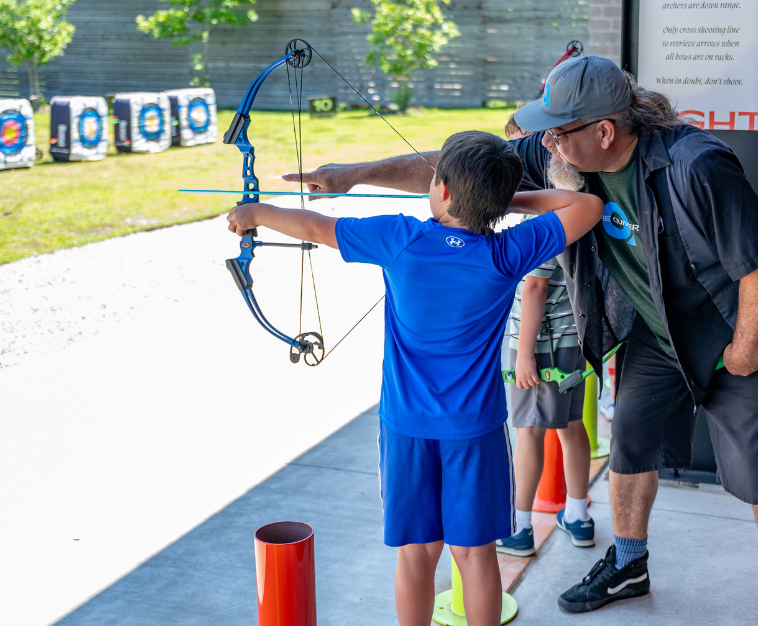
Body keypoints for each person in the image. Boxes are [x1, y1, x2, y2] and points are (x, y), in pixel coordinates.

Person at [287, 56, 758, 626]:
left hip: (737, 326)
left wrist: (747, 342)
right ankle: (630, 562)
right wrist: (355, 174)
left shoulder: (696, 163)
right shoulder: (564, 147)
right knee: (631, 441)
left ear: (604, 131)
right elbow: (458, 177)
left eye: (556, 133)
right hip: (659, 327)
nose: (545, 144)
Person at [233, 130, 603, 626]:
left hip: (407, 427)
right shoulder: (506, 252)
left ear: (443, 190)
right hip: (474, 430)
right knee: (475, 555)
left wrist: (253, 214)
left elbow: (316, 226)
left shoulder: (401, 238)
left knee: (416, 554)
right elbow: (585, 204)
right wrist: (498, 200)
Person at [499, 244, 596, 555]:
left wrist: (524, 354)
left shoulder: (545, 217)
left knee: (529, 431)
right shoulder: (579, 210)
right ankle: (578, 517)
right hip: (572, 334)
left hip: (542, 343)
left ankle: (519, 528)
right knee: (571, 424)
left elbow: (536, 285)